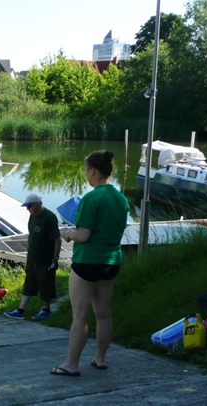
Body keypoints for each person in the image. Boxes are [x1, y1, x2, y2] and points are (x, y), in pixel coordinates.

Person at [50, 150, 129, 377]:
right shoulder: (121, 199)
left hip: (87, 263)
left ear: (92, 171)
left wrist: (67, 234)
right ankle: (100, 359)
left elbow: (83, 235)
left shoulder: (91, 198)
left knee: (80, 316)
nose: (86, 175)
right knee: (103, 314)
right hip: (111, 261)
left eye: (86, 171)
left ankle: (71, 364)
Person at [4, 193, 61, 320]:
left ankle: (46, 310)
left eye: (29, 206)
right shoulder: (32, 216)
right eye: (26, 207)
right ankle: (20, 310)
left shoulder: (49, 218)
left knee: (44, 283)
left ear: (38, 204)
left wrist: (55, 259)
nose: (27, 209)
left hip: (45, 259)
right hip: (32, 257)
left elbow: (57, 240)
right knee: (29, 282)